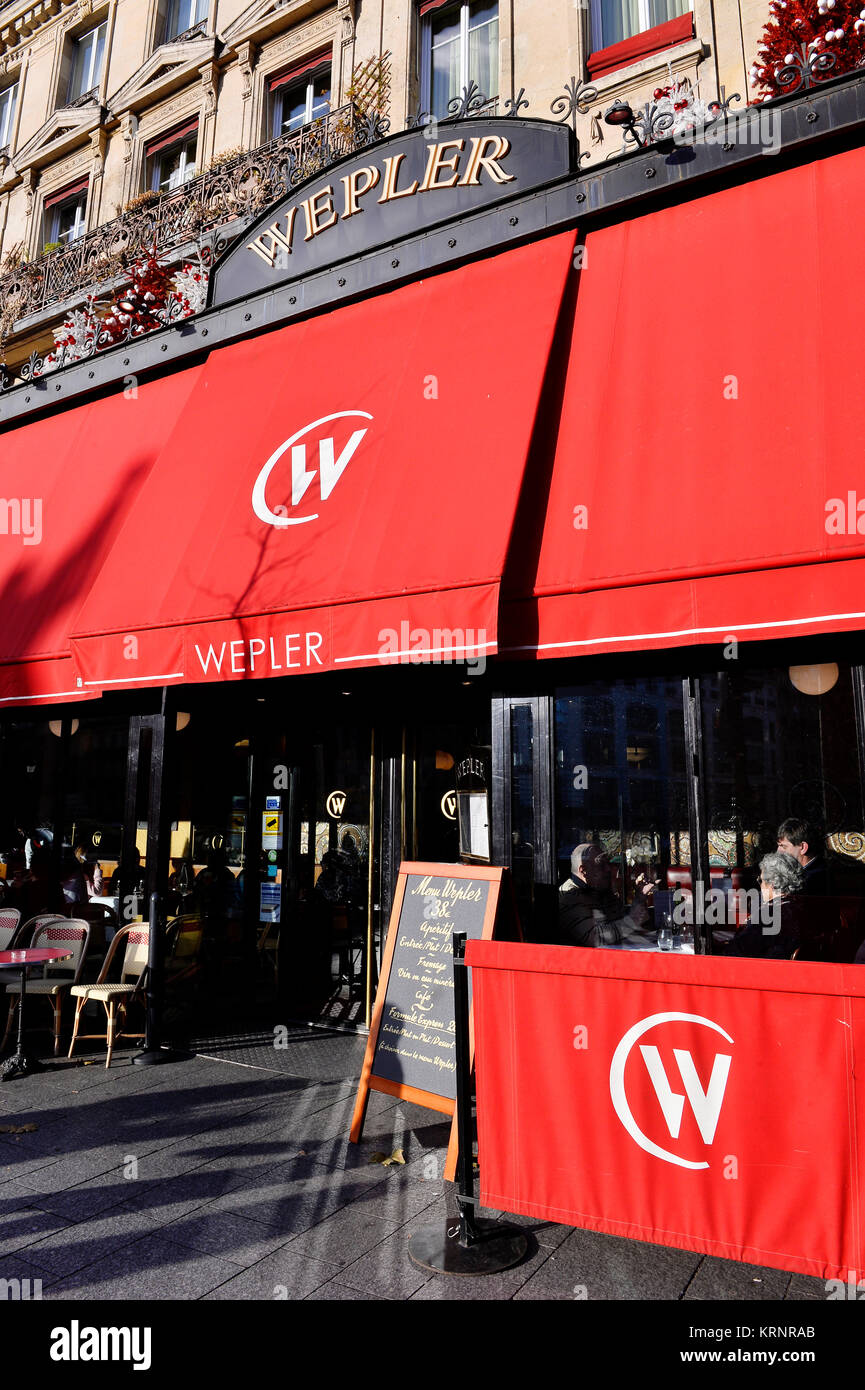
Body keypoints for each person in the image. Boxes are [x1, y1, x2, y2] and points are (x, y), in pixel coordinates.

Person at [558, 842, 651, 948]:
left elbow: (626, 923)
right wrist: (633, 920)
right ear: (583, 871)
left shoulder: (601, 890)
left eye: (607, 863)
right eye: (601, 864)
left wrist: (640, 896)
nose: (608, 869)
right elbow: (595, 938)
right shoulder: (570, 896)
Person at [726, 851, 804, 959]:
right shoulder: (803, 908)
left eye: (761, 881)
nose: (760, 886)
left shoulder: (768, 915)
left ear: (771, 884)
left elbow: (737, 950)